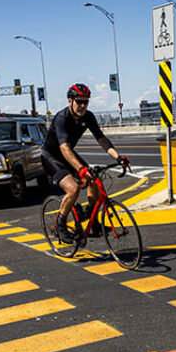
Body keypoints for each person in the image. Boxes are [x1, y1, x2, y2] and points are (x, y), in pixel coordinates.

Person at [42, 83, 129, 243]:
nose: (82, 105)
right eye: (79, 101)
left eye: (86, 102)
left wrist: (118, 157)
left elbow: (101, 139)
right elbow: (64, 147)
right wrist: (81, 169)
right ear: (70, 101)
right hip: (51, 157)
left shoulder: (88, 116)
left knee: (94, 180)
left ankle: (93, 221)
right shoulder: (62, 118)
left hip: (68, 155)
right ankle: (60, 225)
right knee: (73, 189)